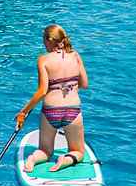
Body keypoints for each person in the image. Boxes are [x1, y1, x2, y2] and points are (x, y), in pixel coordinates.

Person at [14, 25, 89, 173]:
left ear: (49, 41)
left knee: (45, 151)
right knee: (78, 152)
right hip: (72, 110)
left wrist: (23, 112)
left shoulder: (43, 60)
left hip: (51, 111)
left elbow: (42, 91)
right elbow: (84, 84)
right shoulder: (75, 55)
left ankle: (32, 160)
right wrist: (69, 86)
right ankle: (66, 160)